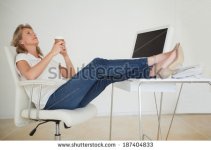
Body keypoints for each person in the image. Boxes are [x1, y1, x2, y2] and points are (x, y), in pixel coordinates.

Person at [11, 24, 184, 110]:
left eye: (33, 31)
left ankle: (153, 71)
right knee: (98, 64)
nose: (33, 33)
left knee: (105, 76)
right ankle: (156, 59)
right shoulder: (22, 57)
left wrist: (64, 55)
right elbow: (31, 76)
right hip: (51, 102)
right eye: (28, 33)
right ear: (21, 41)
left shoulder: (44, 59)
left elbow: (72, 76)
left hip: (67, 96)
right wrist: (51, 53)